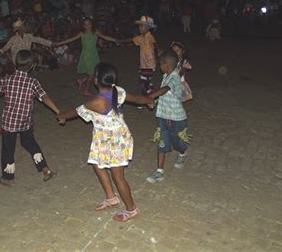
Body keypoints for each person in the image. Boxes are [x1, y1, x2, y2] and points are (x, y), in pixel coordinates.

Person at [57, 63, 153, 222]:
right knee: (97, 164)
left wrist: (61, 116)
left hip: (115, 141)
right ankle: (111, 198)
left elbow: (73, 112)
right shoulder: (117, 90)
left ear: (96, 80)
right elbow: (136, 99)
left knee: (118, 176)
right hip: (106, 139)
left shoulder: (96, 102)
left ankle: (131, 209)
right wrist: (149, 100)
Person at [0, 50, 59, 186]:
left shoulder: (7, 79)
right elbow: (44, 97)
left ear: (15, 63)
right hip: (25, 121)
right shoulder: (32, 82)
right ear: (32, 66)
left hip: (9, 122)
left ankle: (8, 177)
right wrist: (58, 111)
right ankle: (45, 169)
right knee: (30, 143)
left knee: (8, 148)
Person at [146, 52, 191, 183]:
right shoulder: (165, 75)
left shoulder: (174, 77)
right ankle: (159, 171)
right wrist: (155, 102)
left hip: (177, 117)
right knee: (162, 141)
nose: (159, 66)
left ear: (166, 64)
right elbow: (164, 95)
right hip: (162, 115)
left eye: (160, 63)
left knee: (179, 142)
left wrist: (151, 96)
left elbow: (165, 89)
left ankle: (182, 153)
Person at [54, 18, 119, 96]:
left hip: (94, 54)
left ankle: (81, 80)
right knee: (92, 74)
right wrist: (58, 43)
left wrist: (115, 40)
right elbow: (71, 39)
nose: (87, 26)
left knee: (94, 72)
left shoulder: (95, 32)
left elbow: (105, 37)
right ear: (83, 26)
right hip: (86, 55)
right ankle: (86, 91)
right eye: (85, 24)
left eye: (89, 24)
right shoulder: (82, 33)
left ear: (92, 24)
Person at [122, 15, 160, 101]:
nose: (140, 27)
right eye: (139, 25)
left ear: (148, 27)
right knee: (146, 83)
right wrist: (120, 41)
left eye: (142, 25)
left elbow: (155, 43)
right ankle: (150, 97)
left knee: (143, 82)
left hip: (150, 64)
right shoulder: (140, 37)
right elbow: (131, 39)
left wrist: (159, 50)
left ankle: (150, 97)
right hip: (144, 64)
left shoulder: (149, 36)